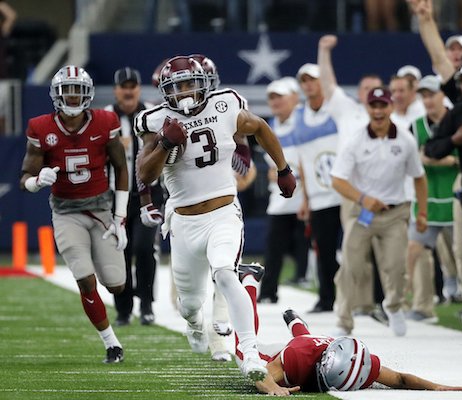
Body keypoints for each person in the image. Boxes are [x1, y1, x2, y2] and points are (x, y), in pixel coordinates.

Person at [135, 55, 296, 380]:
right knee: (190, 304)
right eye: (177, 86)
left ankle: (250, 353)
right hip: (183, 221)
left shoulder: (225, 105)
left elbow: (261, 127)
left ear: (205, 84)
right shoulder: (155, 120)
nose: (185, 92)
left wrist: (283, 168)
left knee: (225, 273)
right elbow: (145, 173)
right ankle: (195, 327)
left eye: (191, 84)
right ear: (166, 91)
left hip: (223, 212)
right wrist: (166, 142)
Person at [19, 65, 128, 363]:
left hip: (101, 209)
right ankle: (111, 344)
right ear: (56, 94)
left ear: (88, 93)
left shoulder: (105, 121)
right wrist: (36, 181)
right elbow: (25, 176)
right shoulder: (41, 127)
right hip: (66, 212)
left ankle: (100, 257)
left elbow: (120, 167)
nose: (72, 96)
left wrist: (120, 217)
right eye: (67, 90)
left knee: (117, 284)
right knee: (84, 279)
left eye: (77, 90)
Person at [233, 263, 462, 395]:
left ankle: (295, 321)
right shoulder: (298, 358)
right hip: (294, 351)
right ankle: (250, 281)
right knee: (244, 352)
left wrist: (435, 386)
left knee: (305, 338)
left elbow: (400, 379)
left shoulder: (357, 362)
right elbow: (260, 375)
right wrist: (273, 388)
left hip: (309, 343)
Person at [330, 87, 428, 336]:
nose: (378, 111)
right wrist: (363, 198)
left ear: (391, 108)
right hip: (363, 212)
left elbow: (419, 177)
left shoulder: (405, 139)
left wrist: (422, 212)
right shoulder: (356, 140)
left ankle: (393, 306)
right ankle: (343, 320)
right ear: (367, 109)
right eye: (373, 106)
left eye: (382, 105)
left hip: (395, 213)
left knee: (396, 266)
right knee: (351, 266)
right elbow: (338, 180)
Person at [317, 34, 385, 318]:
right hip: (352, 192)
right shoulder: (349, 111)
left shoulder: (390, 119)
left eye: (375, 89)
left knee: (384, 252)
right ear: (359, 93)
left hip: (383, 192)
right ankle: (360, 303)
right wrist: (323, 51)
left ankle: (386, 302)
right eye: (366, 88)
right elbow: (327, 84)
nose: (370, 93)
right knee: (354, 249)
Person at [105, 67, 163, 327]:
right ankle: (123, 309)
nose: (128, 90)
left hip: (149, 193)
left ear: (138, 89)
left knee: (143, 247)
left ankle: (147, 304)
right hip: (115, 194)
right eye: (123, 86)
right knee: (121, 252)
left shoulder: (153, 113)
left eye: (132, 86)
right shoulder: (105, 117)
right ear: (116, 90)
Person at [406, 75, 459, 324]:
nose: (427, 100)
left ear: (443, 95)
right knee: (416, 253)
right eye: (424, 95)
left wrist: (439, 160)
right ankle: (422, 306)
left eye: (432, 94)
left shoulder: (459, 120)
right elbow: (411, 159)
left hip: (456, 200)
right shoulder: (415, 126)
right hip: (426, 202)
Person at [293, 63, 342, 313]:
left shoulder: (338, 111)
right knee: (324, 252)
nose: (308, 85)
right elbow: (302, 160)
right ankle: (327, 298)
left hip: (346, 193)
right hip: (320, 197)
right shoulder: (299, 116)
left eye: (312, 79)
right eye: (304, 81)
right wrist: (305, 198)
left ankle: (368, 298)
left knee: (358, 250)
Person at [259, 78, 309, 304]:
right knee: (274, 246)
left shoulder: (304, 120)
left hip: (306, 195)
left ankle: (311, 283)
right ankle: (269, 291)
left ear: (295, 97)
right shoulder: (269, 125)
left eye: (280, 96)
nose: (275, 101)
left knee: (311, 243)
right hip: (280, 197)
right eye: (272, 97)